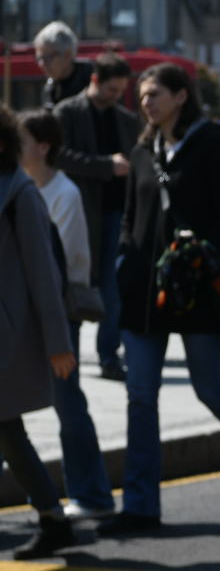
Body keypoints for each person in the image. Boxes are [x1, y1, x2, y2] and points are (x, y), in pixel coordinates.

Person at [101, 64, 220, 537]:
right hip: (143, 295)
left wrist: (201, 257)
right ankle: (140, 506)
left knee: (208, 386)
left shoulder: (210, 142)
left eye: (154, 93)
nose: (145, 101)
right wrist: (124, 260)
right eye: (142, 95)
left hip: (195, 289)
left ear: (181, 96)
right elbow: (130, 217)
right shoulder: (142, 150)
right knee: (141, 396)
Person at [18, 109, 114, 521]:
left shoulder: (64, 193)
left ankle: (92, 495)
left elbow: (69, 265)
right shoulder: (20, 188)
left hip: (57, 314)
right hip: (24, 312)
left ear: (43, 146)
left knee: (67, 401)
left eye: (18, 139)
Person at [0, 105, 80, 559]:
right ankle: (51, 516)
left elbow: (43, 276)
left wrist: (58, 345)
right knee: (7, 430)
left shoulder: (19, 194)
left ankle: (53, 517)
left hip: (7, 337)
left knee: (7, 428)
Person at [54, 52, 140, 381]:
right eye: (111, 89)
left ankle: (109, 355)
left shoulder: (125, 118)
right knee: (77, 285)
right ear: (94, 80)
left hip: (117, 213)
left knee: (112, 288)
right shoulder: (68, 112)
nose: (116, 96)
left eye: (120, 90)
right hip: (80, 214)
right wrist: (106, 165)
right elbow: (62, 157)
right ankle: (70, 355)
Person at [34, 21, 93, 105]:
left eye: (48, 58)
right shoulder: (50, 88)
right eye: (39, 58)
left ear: (67, 55)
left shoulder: (92, 81)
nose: (41, 64)